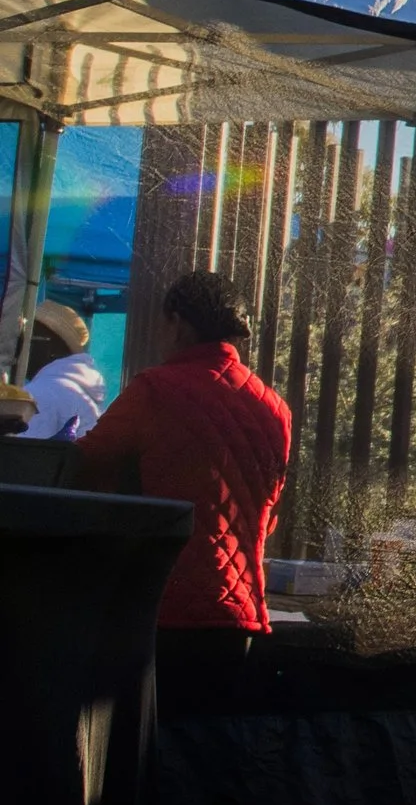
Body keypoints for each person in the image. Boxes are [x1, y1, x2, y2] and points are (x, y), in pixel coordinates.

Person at [75, 268, 293, 711]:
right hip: (241, 618)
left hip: (162, 611)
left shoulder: (155, 390)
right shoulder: (275, 408)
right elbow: (268, 520)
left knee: (149, 760)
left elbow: (87, 466)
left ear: (178, 322)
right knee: (208, 759)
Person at [6, 301, 111, 442]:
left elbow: (24, 457)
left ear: (52, 346)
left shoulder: (42, 393)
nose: (20, 348)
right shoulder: (77, 390)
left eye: (28, 340)